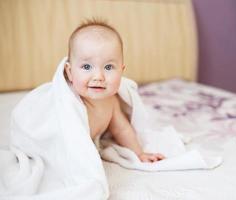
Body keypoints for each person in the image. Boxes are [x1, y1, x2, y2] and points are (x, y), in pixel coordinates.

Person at [64, 19, 165, 163]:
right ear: (69, 72)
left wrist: (139, 154)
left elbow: (121, 130)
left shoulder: (111, 101)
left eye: (108, 67)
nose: (98, 77)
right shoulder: (69, 104)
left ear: (121, 71)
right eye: (86, 67)